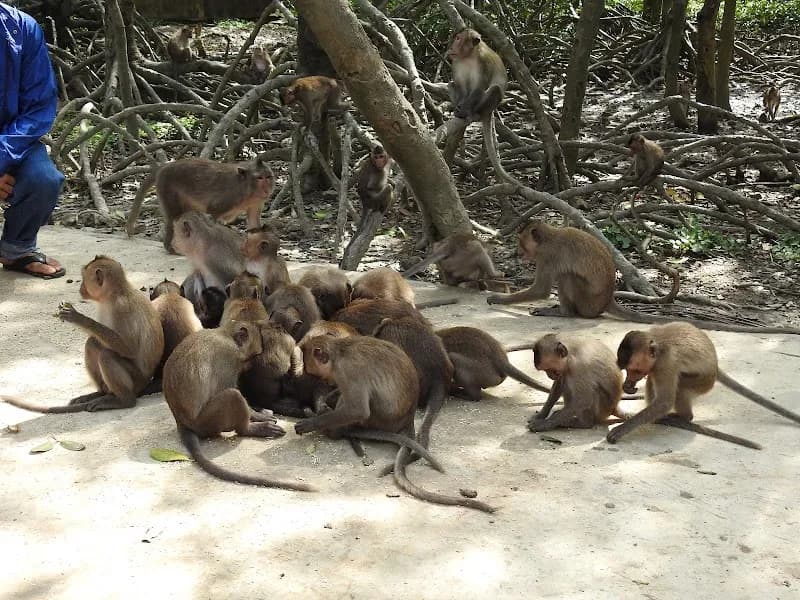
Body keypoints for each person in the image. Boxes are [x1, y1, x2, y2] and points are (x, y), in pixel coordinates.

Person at [0, 2, 65, 278]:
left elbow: (39, 109)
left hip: (11, 140)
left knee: (44, 179)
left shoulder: (23, 28)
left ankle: (17, 249)